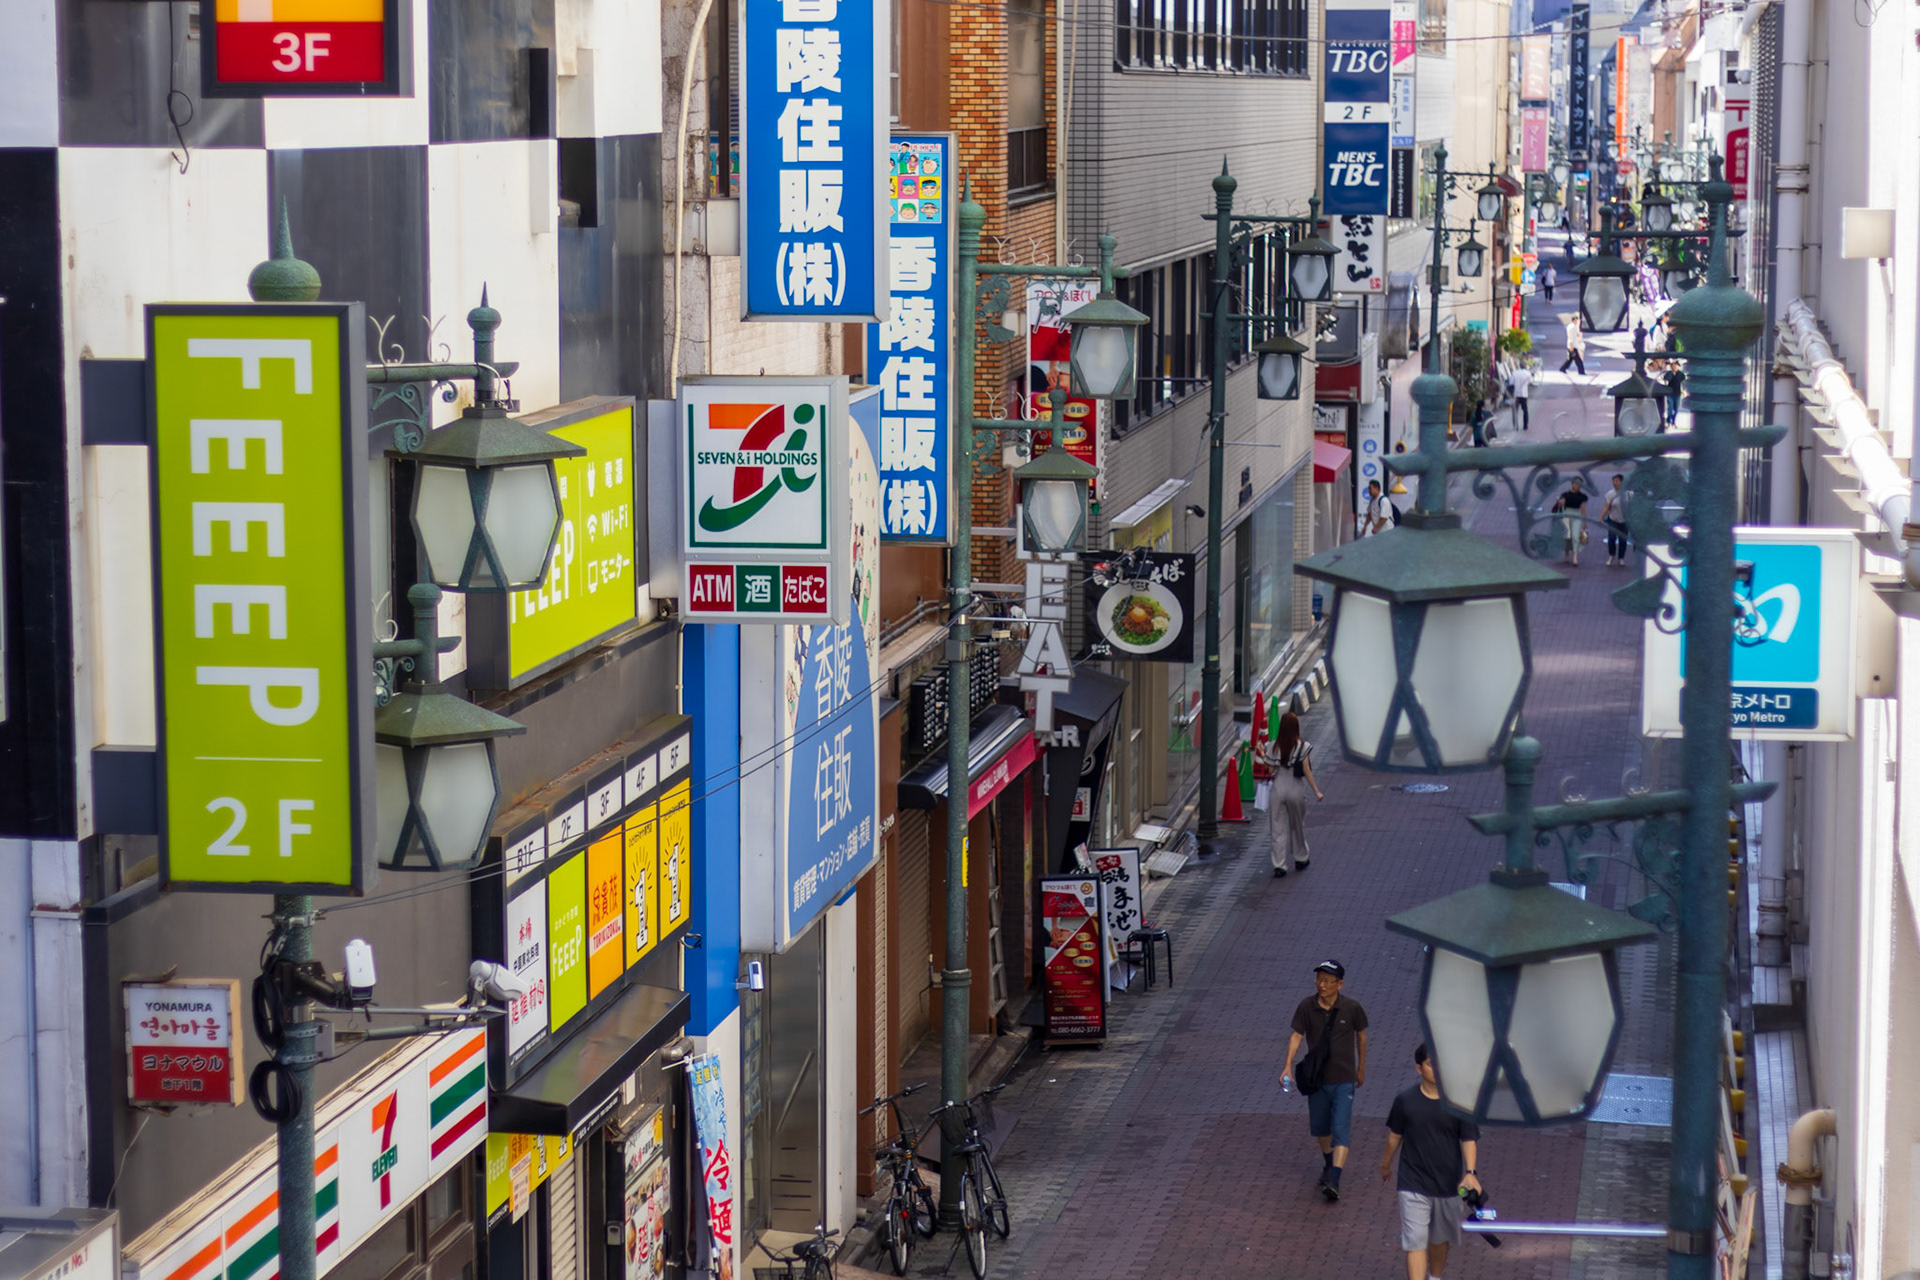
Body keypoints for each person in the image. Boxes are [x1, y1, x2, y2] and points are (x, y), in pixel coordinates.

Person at [1380, 1045, 1483, 1280]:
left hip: (1448, 1184)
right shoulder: (1405, 1101)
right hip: (1412, 1182)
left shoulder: (1459, 1102)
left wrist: (1470, 1172)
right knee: (1415, 1240)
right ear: (1419, 1068)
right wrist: (1385, 1164)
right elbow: (1395, 1136)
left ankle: (1435, 1277)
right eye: (1430, 1064)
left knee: (1439, 1239)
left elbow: (1469, 1139)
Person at [1282, 961, 1369, 1200]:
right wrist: (1287, 1065)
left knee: (1340, 1129)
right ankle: (1329, 1164)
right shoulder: (1306, 1006)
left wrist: (1361, 1067)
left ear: (1340, 984)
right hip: (1317, 1079)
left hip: (1344, 1079)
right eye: (1319, 980)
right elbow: (1296, 1035)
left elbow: (1361, 1036)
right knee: (1321, 1129)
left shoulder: (1352, 1007)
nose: (1322, 985)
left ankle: (1334, 1179)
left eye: (1328, 981)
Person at [1261, 710, 1322, 878]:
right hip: (1295, 788)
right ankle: (1301, 858)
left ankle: (1279, 865)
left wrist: (1263, 754)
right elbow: (1306, 770)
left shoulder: (1274, 746)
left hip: (1278, 788)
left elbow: (1270, 769)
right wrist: (1316, 791)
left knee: (1277, 828)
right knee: (1297, 825)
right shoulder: (1303, 746)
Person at [1552, 476, 1590, 566]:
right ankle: (1567, 554)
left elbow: (1583, 509)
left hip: (1577, 515)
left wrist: (1585, 522)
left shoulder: (1582, 496)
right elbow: (1561, 504)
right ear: (1572, 484)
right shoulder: (1565, 495)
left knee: (1575, 536)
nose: (1577, 486)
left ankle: (1575, 558)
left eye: (1579, 485)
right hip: (1566, 514)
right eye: (1576, 484)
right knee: (1567, 536)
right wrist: (1561, 502)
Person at [1601, 473, 1630, 566]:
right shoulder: (1610, 494)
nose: (1614, 483)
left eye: (1617, 481)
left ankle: (1621, 558)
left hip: (1625, 521)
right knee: (1612, 538)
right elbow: (1606, 506)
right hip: (1613, 519)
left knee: (1623, 540)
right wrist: (1601, 518)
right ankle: (1611, 555)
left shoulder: (1628, 494)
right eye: (1613, 481)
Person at [1508, 361, 1533, 431]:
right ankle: (1525, 425)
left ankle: (1516, 426)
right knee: (1525, 410)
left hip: (1516, 394)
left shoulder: (1515, 373)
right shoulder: (1527, 373)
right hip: (1524, 394)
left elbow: (1511, 383)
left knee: (1515, 410)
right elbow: (1530, 382)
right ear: (1525, 366)